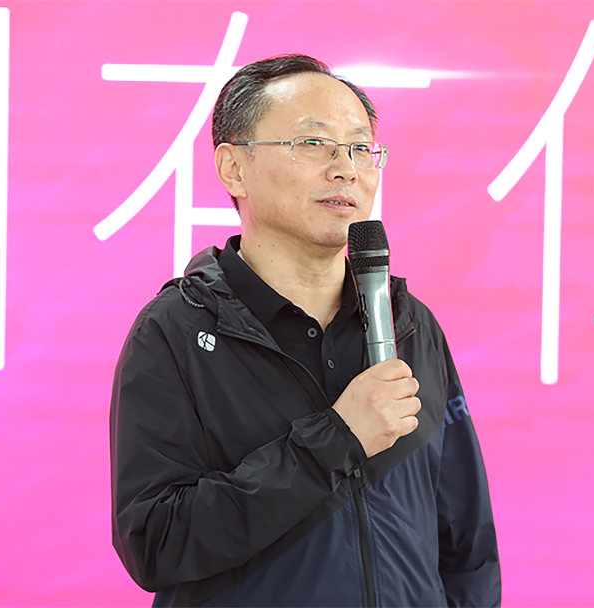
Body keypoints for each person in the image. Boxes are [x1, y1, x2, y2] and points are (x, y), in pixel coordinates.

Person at [110, 54, 500, 608]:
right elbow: (156, 541)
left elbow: (466, 543)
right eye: (313, 143)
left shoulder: (410, 325)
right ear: (233, 168)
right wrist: (338, 439)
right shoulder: (176, 330)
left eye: (360, 148)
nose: (346, 169)